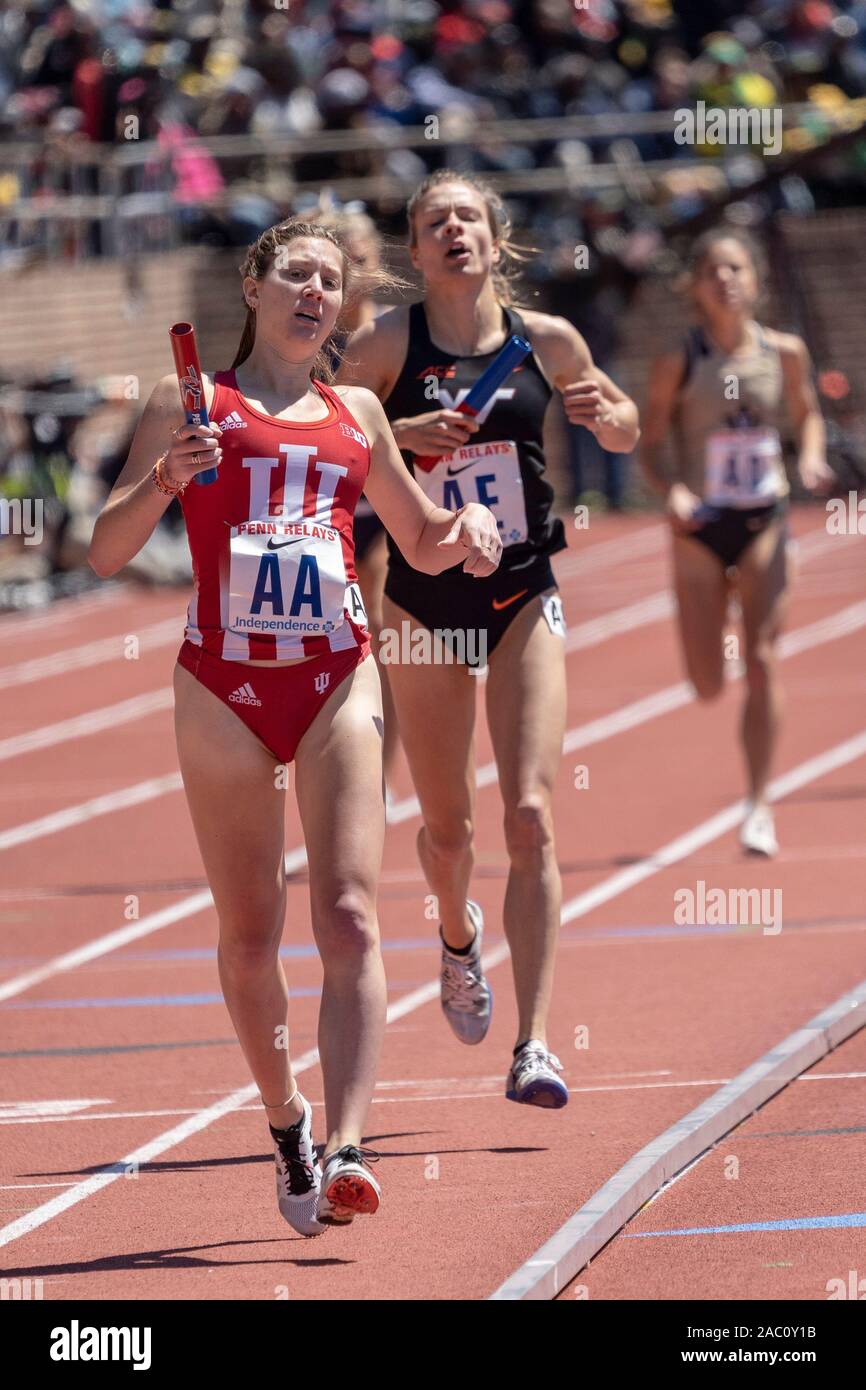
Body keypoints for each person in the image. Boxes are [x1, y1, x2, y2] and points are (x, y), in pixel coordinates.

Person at [86, 218, 501, 1235]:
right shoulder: (187, 404)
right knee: (246, 940)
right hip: (222, 685)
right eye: (298, 276)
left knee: (350, 915)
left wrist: (469, 533)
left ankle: (350, 1144)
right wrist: (167, 478)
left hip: (333, 677)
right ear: (254, 288)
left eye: (331, 280)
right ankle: (287, 1120)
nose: (316, 292)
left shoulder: (356, 408)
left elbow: (418, 537)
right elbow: (102, 550)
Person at [337, 171, 639, 1107]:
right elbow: (325, 449)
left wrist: (610, 417)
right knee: (446, 828)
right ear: (416, 253)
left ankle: (536, 1042)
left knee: (532, 815)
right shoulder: (387, 344)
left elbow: (625, 427)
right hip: (426, 608)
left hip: (521, 595)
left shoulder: (545, 341)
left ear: (494, 240)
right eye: (435, 223)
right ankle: (458, 937)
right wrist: (401, 432)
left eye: (468, 217)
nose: (453, 231)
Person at [639, 228, 832, 856]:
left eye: (737, 268)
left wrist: (809, 459)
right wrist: (671, 491)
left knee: (764, 658)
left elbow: (806, 416)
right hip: (700, 530)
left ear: (755, 281)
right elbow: (650, 443)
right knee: (706, 684)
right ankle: (707, 641)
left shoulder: (785, 352)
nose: (726, 279)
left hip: (764, 520)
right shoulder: (681, 357)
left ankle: (757, 806)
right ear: (696, 286)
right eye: (713, 270)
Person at [314, 205, 400, 787]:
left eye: (360, 259)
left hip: (389, 510)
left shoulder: (397, 334)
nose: (350, 272)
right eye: (337, 260)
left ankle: (381, 775)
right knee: (335, 645)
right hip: (327, 509)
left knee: (380, 634)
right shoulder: (305, 336)